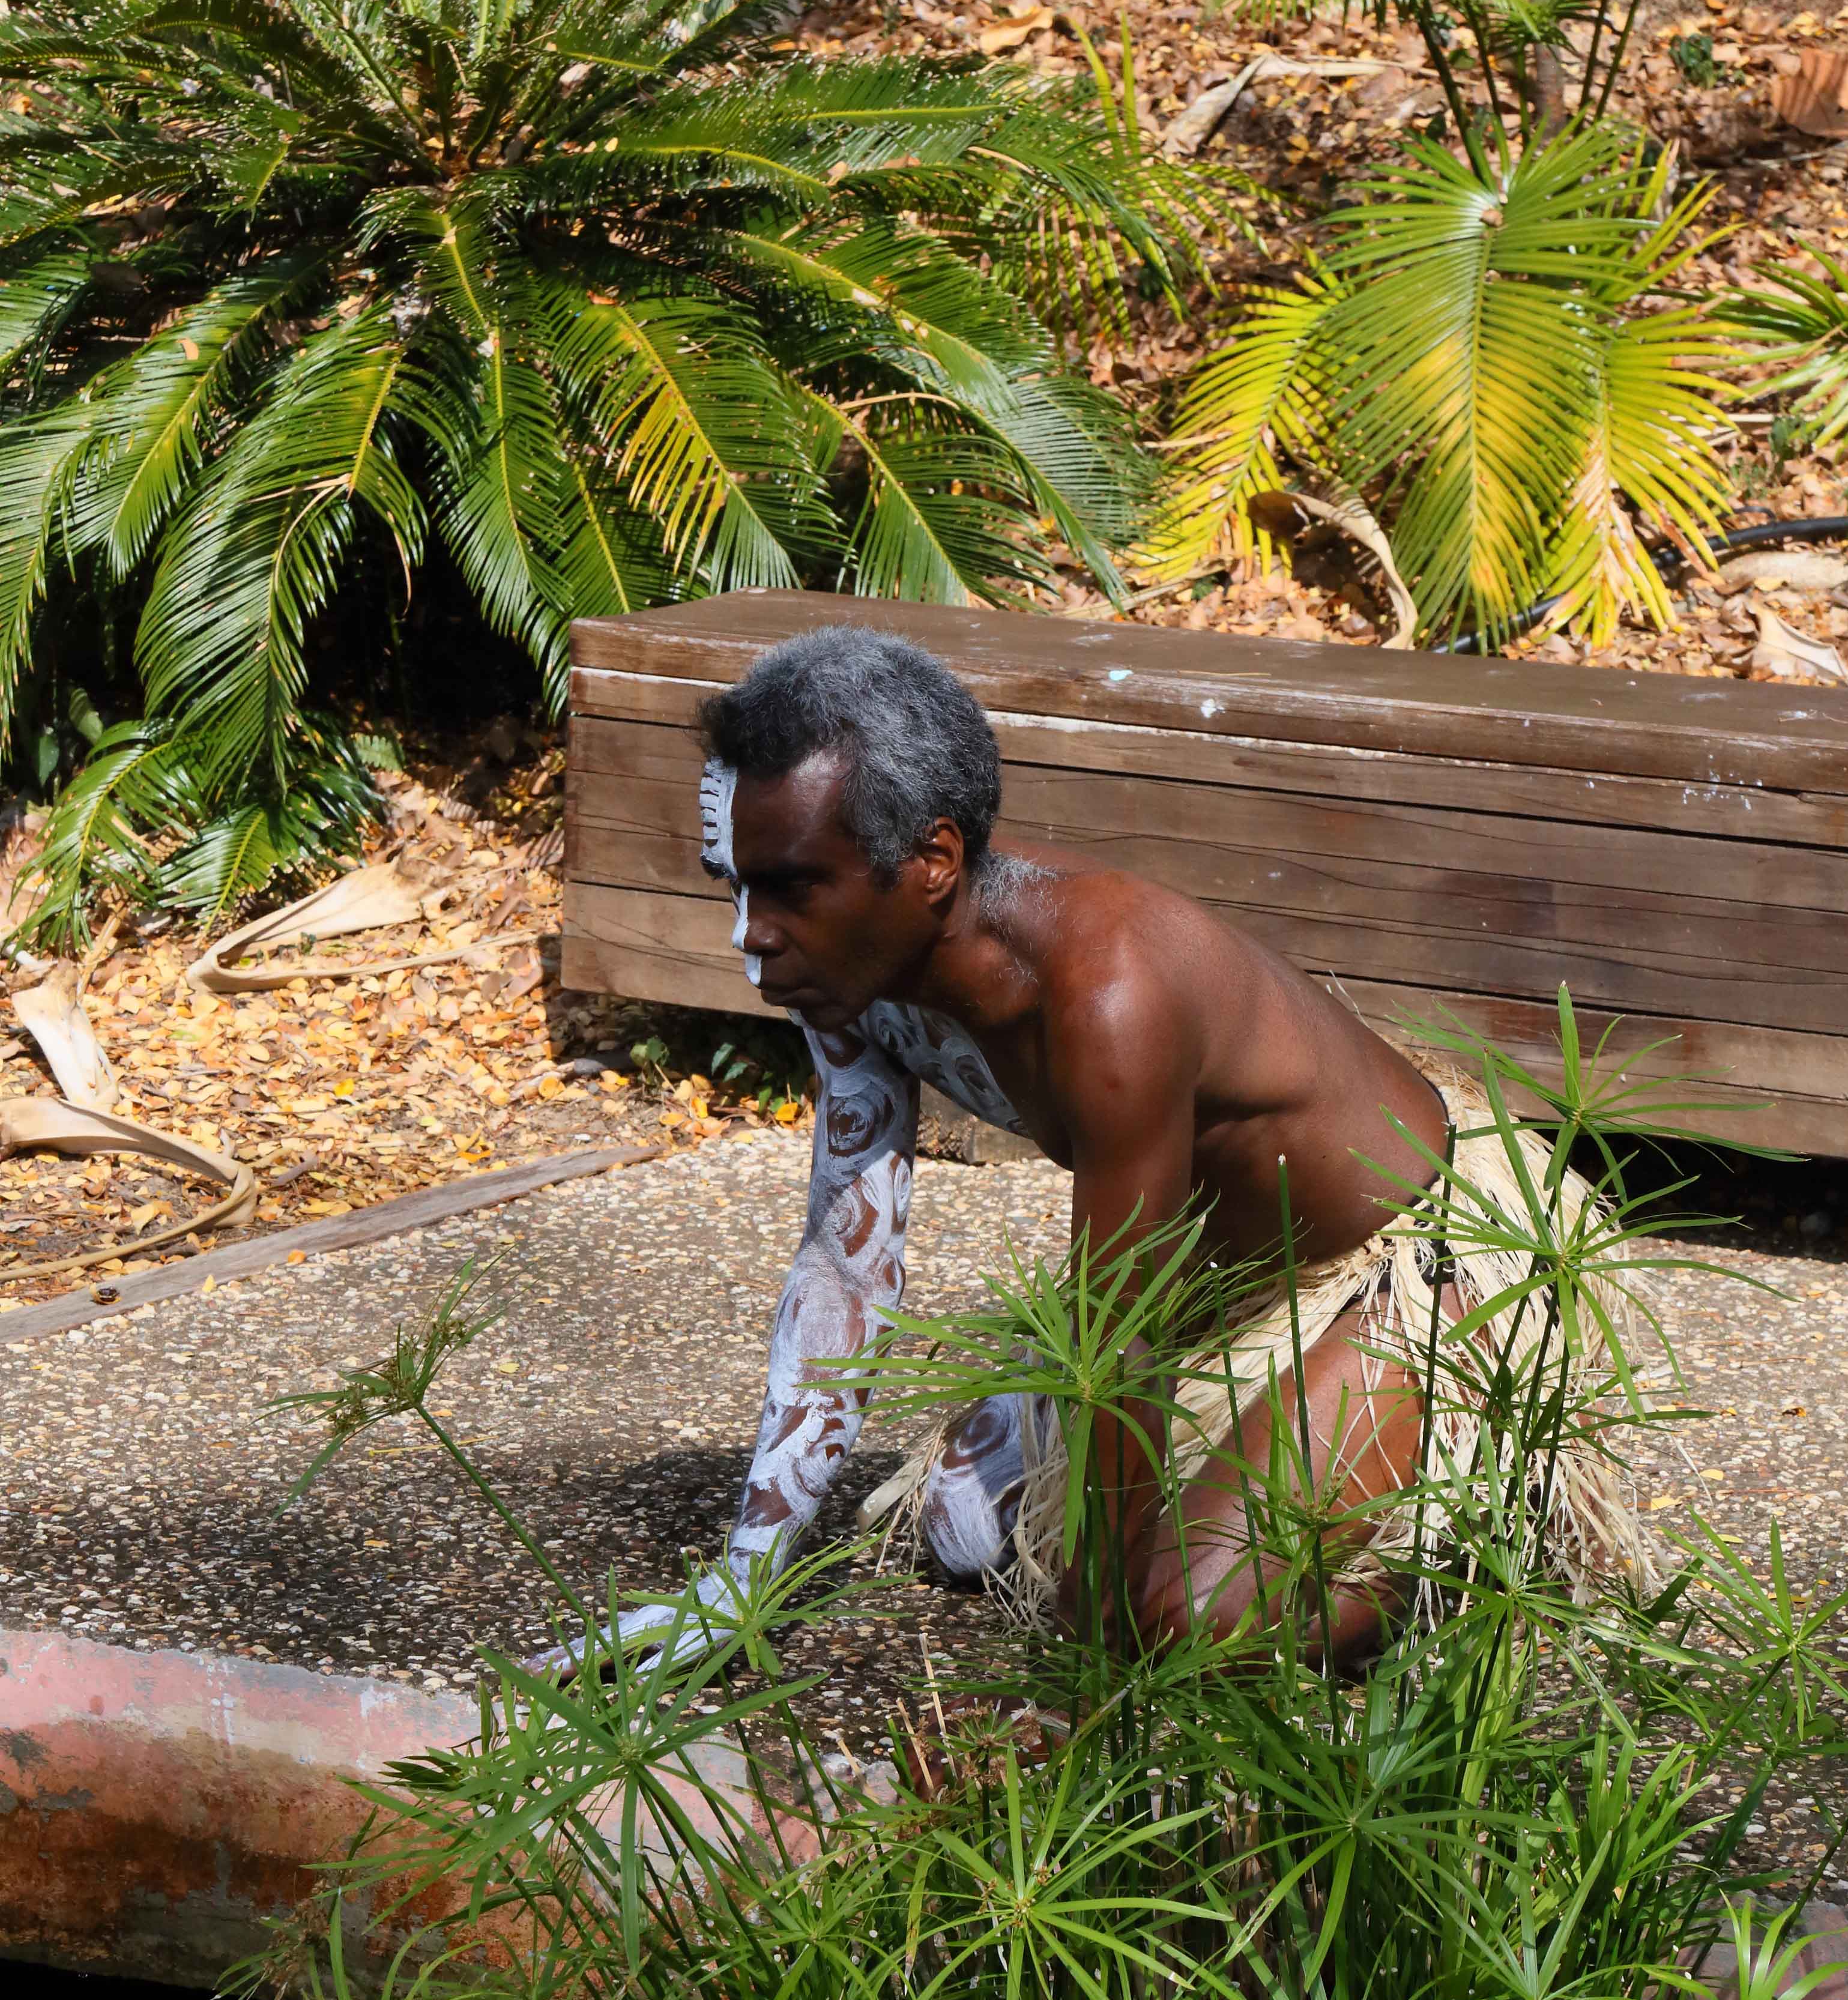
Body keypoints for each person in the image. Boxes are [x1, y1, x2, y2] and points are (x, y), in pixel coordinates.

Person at [587, 626, 1647, 1668]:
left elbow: (1115, 1351)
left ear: (933, 861)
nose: (749, 935)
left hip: (1414, 1265)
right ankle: (1264, 1450)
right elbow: (843, 1259)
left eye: (789, 887)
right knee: (960, 1529)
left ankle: (1440, 1562)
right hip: (1206, 1286)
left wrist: (1086, 1689)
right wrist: (738, 1587)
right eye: (733, 884)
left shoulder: (1112, 993)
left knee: (1178, 1624)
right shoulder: (845, 971)